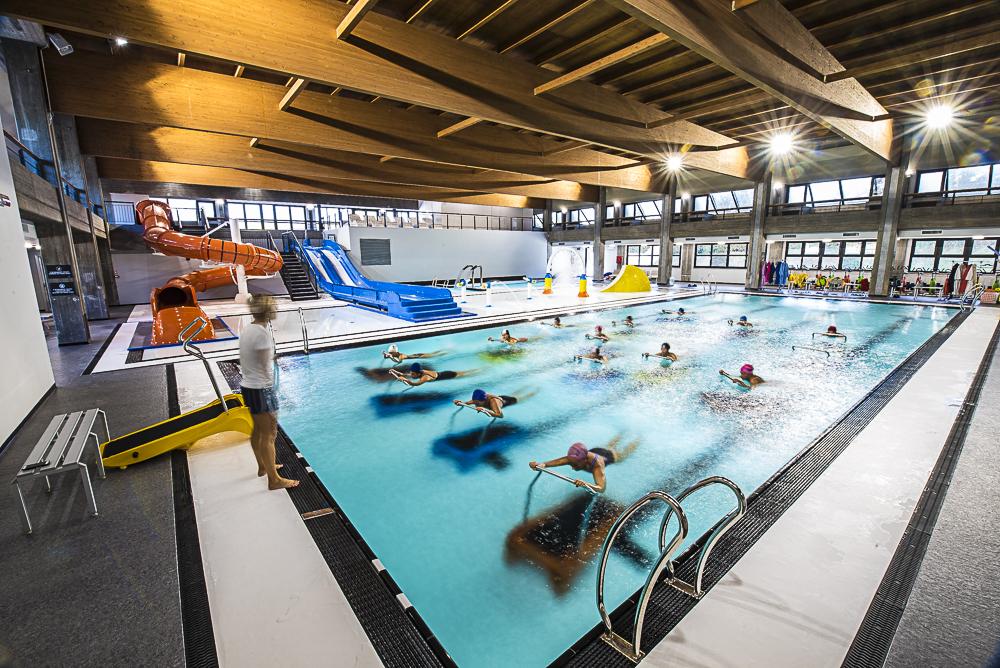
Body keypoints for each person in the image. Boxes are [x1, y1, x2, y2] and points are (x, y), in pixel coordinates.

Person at [239, 295, 298, 490]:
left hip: (248, 385)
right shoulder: (262, 334)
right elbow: (266, 369)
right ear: (269, 311)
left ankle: (263, 466)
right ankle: (274, 480)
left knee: (258, 430)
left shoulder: (248, 329)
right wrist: (279, 394)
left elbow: (252, 359)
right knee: (269, 434)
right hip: (261, 388)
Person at [529, 435, 640, 494]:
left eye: (575, 465)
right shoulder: (574, 458)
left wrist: (586, 484)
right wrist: (541, 465)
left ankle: (639, 439)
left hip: (610, 456)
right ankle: (622, 433)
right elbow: (557, 462)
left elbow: (601, 488)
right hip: (599, 450)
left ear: (585, 460)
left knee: (625, 454)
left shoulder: (597, 466)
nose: (572, 467)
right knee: (610, 444)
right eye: (571, 463)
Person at [453, 388, 535, 418]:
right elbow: (469, 402)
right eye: (475, 401)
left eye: (478, 402)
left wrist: (485, 411)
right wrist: (460, 402)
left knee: (522, 398)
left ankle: (532, 393)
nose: (475, 403)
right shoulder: (477, 399)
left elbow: (500, 415)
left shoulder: (493, 402)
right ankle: (525, 388)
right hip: (501, 397)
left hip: (508, 401)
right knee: (514, 393)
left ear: (483, 400)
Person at [390, 362, 471, 386]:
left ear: (418, 374)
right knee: (463, 372)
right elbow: (409, 375)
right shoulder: (418, 372)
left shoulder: (425, 377)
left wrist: (405, 380)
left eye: (413, 374)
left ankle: (476, 372)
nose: (412, 374)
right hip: (444, 373)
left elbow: (416, 384)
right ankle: (473, 370)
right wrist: (397, 372)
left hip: (448, 375)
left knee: (464, 375)